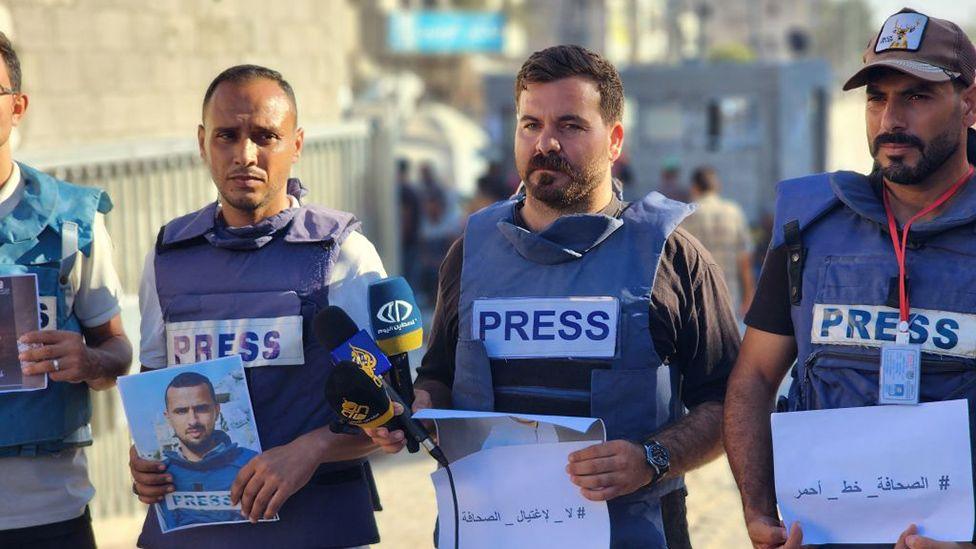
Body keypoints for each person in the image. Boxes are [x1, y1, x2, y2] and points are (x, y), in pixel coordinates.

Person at [366, 45, 739, 548]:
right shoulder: (470, 250)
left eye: (570, 125)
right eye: (530, 124)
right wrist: (414, 408)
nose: (546, 142)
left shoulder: (674, 257)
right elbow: (440, 376)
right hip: (486, 532)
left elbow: (728, 404)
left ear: (615, 141)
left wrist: (649, 460)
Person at [724, 8, 976, 549]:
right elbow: (754, 380)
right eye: (877, 97)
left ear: (970, 104)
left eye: (917, 96)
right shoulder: (808, 228)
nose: (891, 120)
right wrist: (758, 511)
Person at [128, 64, 387, 549]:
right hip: (190, 532)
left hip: (314, 527)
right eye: (227, 135)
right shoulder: (167, 257)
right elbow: (152, 398)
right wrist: (146, 463)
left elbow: (390, 415)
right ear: (203, 142)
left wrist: (312, 448)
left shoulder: (343, 256)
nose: (245, 154)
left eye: (265, 136)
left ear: (297, 143)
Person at [0, 32, 133, 549]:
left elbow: (118, 349)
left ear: (18, 106)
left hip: (48, 514)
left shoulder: (72, 222)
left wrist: (89, 362)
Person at [158, 372, 259, 529]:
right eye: (181, 411)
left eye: (201, 409)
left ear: (217, 411)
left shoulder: (253, 464)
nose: (193, 421)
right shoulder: (159, 475)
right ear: (168, 417)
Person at [680, 166, 755, 319]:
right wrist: (749, 296)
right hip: (728, 294)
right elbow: (745, 259)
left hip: (696, 297)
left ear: (694, 187)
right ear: (717, 186)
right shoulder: (733, 212)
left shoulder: (687, 213)